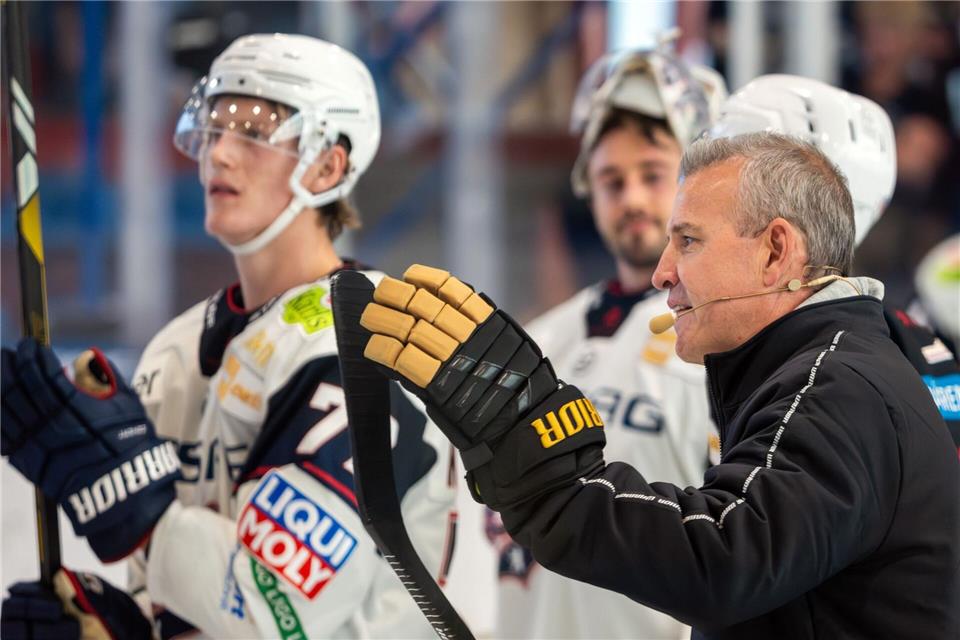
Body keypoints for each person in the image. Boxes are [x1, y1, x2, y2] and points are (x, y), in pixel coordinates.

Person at [353, 131, 959, 638]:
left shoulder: (837, 386)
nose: (661, 271)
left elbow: (725, 556)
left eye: (689, 240)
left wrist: (549, 473)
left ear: (777, 251)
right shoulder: (821, 370)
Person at [1, 33, 457, 639]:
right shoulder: (175, 349)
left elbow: (277, 609)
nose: (219, 154)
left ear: (329, 163)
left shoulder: (370, 343)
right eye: (213, 129)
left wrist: (134, 504)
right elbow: (190, 608)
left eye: (254, 131)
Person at [486, 44, 726, 640]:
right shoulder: (541, 338)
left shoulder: (719, 339)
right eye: (611, 180)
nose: (634, 200)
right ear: (586, 190)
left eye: (653, 174)